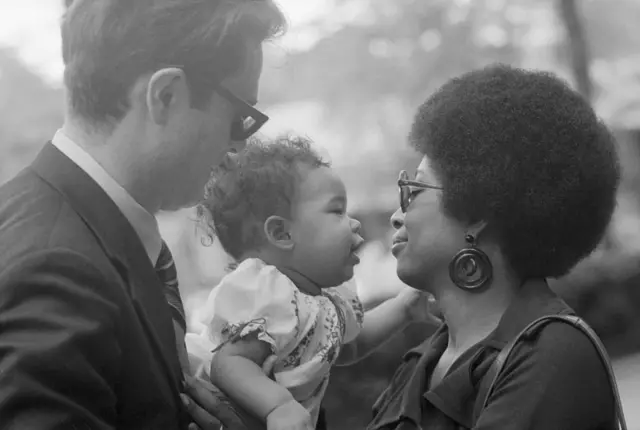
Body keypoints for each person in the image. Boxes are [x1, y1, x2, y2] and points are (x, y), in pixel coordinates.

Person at [0, 0, 285, 429]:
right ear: (165, 95)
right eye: (240, 116)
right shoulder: (58, 268)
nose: (238, 147)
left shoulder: (72, 226)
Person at [368, 64, 622, 430]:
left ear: (478, 210)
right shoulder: (420, 363)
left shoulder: (551, 355)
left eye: (415, 190)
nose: (396, 216)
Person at [186, 136, 438, 430]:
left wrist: (404, 308)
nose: (354, 222)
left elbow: (348, 347)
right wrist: (278, 407)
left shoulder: (323, 301)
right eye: (337, 211)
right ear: (282, 233)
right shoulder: (270, 294)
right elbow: (229, 364)